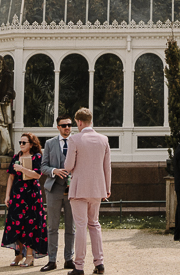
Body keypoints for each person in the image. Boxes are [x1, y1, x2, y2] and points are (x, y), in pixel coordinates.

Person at [63, 107, 111, 275]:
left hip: (79, 188)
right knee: (94, 224)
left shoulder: (74, 139)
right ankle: (99, 263)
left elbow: (68, 166)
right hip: (98, 188)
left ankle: (79, 266)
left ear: (79, 122)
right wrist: (107, 188)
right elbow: (107, 167)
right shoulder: (104, 139)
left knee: (81, 226)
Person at [1, 132, 47, 266]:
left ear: (31, 144)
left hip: (32, 195)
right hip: (17, 195)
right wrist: (7, 196)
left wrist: (22, 169)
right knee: (17, 224)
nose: (21, 145)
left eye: (24, 142)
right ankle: (19, 254)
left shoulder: (37, 157)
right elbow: (10, 177)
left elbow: (37, 175)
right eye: (20, 142)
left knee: (31, 224)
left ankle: (30, 255)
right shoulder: (16, 157)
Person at [39, 115, 76, 272]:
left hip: (73, 189)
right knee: (52, 226)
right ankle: (52, 260)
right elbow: (43, 167)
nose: (67, 127)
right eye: (63, 125)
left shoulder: (77, 141)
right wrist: (54, 170)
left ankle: (69, 259)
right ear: (58, 127)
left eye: (69, 125)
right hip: (54, 189)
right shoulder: (49, 143)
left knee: (71, 227)